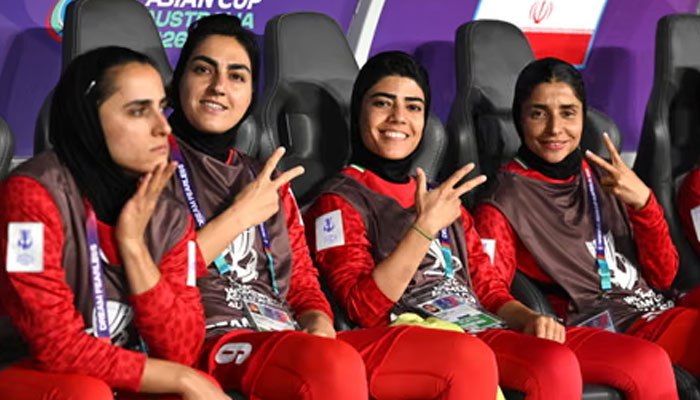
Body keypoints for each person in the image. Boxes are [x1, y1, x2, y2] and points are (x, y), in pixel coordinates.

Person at [305, 51, 678, 400]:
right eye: (383, 103)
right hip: (415, 335)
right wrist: (422, 230)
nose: (399, 117)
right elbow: (363, 309)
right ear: (359, 111)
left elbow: (488, 286)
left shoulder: (443, 194)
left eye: (413, 106)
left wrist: (529, 318)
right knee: (476, 357)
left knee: (559, 361)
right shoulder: (337, 202)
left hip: (479, 326)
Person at [167, 14, 499, 400]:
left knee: (466, 358)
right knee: (332, 365)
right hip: (211, 337)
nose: (219, 87)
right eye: (203, 70)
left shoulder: (266, 177)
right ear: (178, 82)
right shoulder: (152, 165)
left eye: (237, 76)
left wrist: (318, 321)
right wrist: (239, 216)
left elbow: (303, 284)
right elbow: (152, 279)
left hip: (286, 332)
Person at [0, 47, 229, 399]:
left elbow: (182, 350)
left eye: (162, 107)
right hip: (24, 368)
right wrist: (181, 379)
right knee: (88, 393)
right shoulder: (31, 196)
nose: (163, 128)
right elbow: (56, 346)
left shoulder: (168, 215)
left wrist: (133, 246)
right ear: (89, 119)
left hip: (114, 369)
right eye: (138, 111)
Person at [473, 57, 693, 384]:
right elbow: (488, 290)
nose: (555, 129)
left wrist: (645, 204)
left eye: (567, 113)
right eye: (538, 114)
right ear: (519, 118)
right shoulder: (502, 200)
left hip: (654, 308)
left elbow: (663, 275)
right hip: (603, 327)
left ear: (583, 117)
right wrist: (530, 318)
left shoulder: (608, 176)